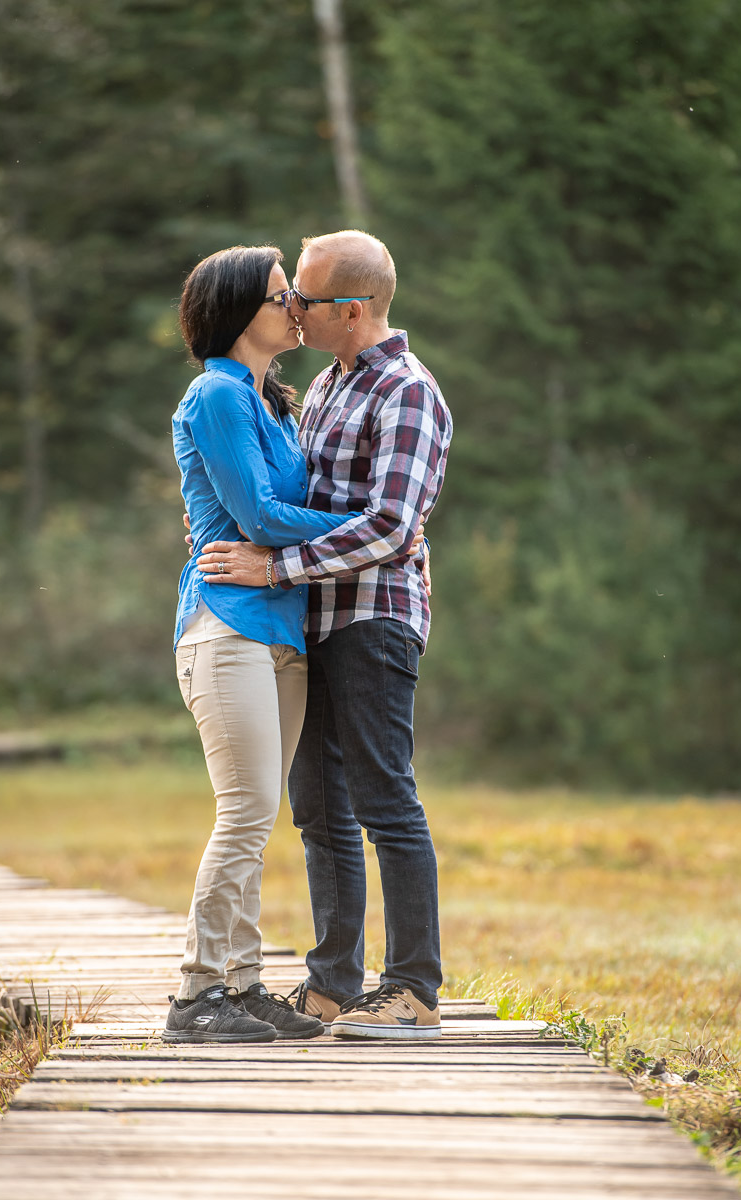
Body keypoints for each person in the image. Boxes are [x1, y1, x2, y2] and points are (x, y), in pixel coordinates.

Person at [199, 230, 453, 1039]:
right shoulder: (327, 386)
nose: (293, 309)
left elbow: (389, 526)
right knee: (318, 808)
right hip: (316, 620)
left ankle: (412, 989)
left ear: (352, 308)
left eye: (303, 298)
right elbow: (284, 493)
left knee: (385, 798)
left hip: (375, 616)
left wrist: (276, 565)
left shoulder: (407, 392)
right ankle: (333, 983)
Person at [164, 244, 383, 1044]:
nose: (296, 304)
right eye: (280, 294)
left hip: (281, 629)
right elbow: (256, 517)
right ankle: (196, 996)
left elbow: (277, 509)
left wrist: (345, 531)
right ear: (238, 313)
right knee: (247, 811)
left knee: (256, 817)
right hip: (226, 625)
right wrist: (375, 532)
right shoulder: (216, 393)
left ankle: (243, 984)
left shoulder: (272, 402)